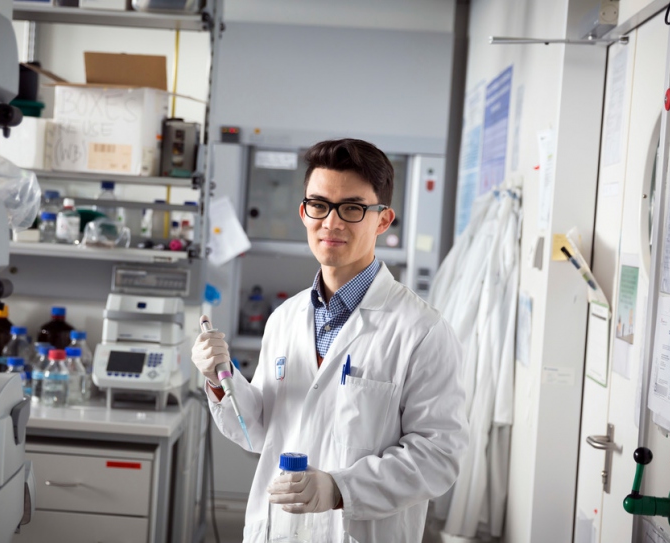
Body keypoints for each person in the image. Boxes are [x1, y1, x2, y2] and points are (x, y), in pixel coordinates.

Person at [191, 138, 468, 542]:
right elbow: (259, 430)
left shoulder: (422, 331)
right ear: (304, 212)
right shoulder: (285, 318)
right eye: (318, 205)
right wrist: (220, 378)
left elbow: (438, 457)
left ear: (383, 219)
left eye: (352, 208)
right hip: (278, 530)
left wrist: (340, 489)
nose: (331, 223)